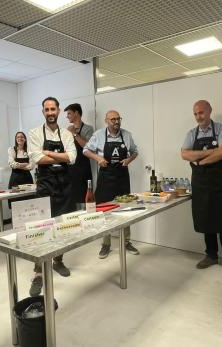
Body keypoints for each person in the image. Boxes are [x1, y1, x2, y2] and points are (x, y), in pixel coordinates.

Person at [180, 100, 222, 280]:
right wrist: (210, 152)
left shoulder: (221, 130)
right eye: (196, 114)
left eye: (201, 113)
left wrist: (200, 161)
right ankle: (211, 255)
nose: (199, 117)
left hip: (219, 182)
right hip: (200, 183)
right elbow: (184, 154)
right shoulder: (191, 133)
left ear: (209, 111)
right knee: (205, 216)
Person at [27, 96, 77, 296]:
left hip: (64, 185)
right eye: (46, 110)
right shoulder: (34, 133)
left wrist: (48, 152)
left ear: (58, 110)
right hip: (45, 185)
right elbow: (36, 157)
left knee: (62, 225)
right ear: (43, 112)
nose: (50, 113)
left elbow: (72, 158)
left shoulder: (66, 133)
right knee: (42, 228)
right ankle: (38, 273)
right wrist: (59, 156)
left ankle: (58, 261)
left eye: (53, 109)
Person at [83, 110, 140, 258]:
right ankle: (106, 244)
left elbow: (134, 152)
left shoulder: (127, 135)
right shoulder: (98, 135)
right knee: (104, 210)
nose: (116, 122)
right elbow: (86, 150)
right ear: (106, 121)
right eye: (113, 119)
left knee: (126, 209)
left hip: (122, 177)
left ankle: (126, 241)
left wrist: (129, 160)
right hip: (106, 178)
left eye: (118, 119)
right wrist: (98, 158)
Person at [64, 103, 94, 204]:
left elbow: (88, 146)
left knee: (84, 197)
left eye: (69, 113)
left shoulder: (88, 129)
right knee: (71, 198)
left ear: (76, 113)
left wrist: (75, 134)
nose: (67, 116)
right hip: (70, 169)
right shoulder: (67, 130)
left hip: (83, 169)